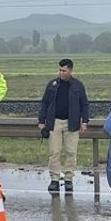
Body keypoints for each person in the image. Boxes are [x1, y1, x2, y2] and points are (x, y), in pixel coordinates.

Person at [37, 58, 90, 193]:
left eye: (64, 70)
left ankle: (68, 179)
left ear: (70, 70)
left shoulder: (78, 85)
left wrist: (85, 121)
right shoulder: (52, 85)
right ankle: (54, 179)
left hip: (72, 123)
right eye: (60, 70)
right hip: (54, 122)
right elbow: (44, 103)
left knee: (71, 152)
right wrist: (41, 121)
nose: (61, 73)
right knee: (54, 152)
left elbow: (84, 104)